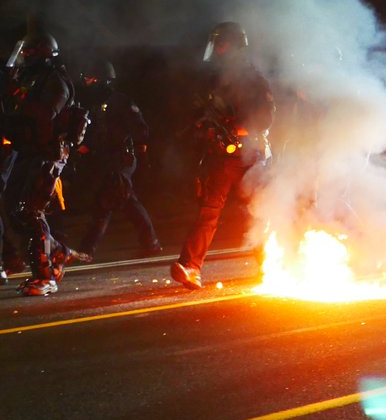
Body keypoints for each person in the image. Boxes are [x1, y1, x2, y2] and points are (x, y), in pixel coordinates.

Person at [170, 22, 274, 290]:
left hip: (251, 154)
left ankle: (271, 261)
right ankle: (191, 267)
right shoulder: (213, 80)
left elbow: (265, 119)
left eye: (222, 43)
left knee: (258, 211)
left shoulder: (253, 79)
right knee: (208, 211)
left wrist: (238, 127)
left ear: (235, 46)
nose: (217, 48)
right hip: (221, 155)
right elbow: (198, 113)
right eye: (216, 43)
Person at [3, 27, 93, 296]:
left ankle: (46, 276)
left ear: (42, 54)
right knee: (15, 211)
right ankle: (59, 252)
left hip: (48, 154)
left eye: (29, 52)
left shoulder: (56, 81)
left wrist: (19, 95)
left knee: (30, 211)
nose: (24, 57)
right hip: (27, 151)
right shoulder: (30, 79)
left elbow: (45, 115)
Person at [73, 59, 162, 259]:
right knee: (128, 202)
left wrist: (140, 153)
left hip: (121, 158)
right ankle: (151, 243)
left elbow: (140, 129)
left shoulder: (120, 101)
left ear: (101, 80)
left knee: (104, 203)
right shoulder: (92, 105)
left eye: (90, 78)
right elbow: (92, 133)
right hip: (104, 160)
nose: (87, 82)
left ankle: (87, 249)